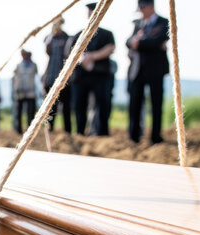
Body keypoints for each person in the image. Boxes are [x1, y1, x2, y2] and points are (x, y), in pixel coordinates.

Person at [68, 2, 115, 136]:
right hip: (81, 76)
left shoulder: (107, 34)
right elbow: (70, 52)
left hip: (100, 75)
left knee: (103, 104)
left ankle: (102, 133)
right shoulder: (78, 35)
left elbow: (110, 48)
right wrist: (83, 59)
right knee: (79, 105)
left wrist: (92, 56)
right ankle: (80, 132)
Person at [126, 0, 169, 144]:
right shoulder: (138, 23)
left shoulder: (163, 22)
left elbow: (159, 40)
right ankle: (134, 136)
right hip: (137, 70)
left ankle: (155, 137)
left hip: (155, 70)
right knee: (134, 104)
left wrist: (140, 42)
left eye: (143, 8)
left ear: (150, 7)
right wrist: (143, 42)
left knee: (156, 104)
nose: (141, 12)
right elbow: (128, 42)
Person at [42, 17, 73, 133]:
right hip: (51, 78)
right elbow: (47, 49)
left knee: (66, 107)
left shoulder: (67, 38)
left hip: (65, 79)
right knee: (51, 108)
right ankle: (50, 130)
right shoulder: (50, 38)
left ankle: (67, 131)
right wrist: (52, 33)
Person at [12, 50, 38, 134]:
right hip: (20, 93)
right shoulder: (18, 66)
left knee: (31, 113)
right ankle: (18, 130)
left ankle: (30, 131)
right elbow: (15, 78)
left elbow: (36, 74)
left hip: (31, 93)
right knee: (18, 113)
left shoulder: (33, 65)